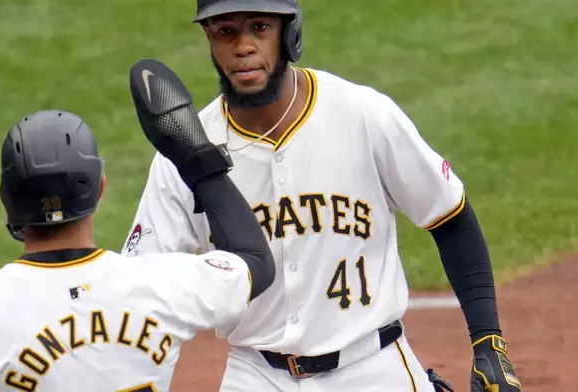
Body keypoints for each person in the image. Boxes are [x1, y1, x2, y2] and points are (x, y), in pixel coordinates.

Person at [122, 1, 522, 391]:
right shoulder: (186, 150)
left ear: (289, 33)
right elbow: (142, 285)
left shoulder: (362, 115)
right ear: (209, 39)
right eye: (226, 31)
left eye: (259, 27)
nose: (243, 46)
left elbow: (449, 216)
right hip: (255, 373)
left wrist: (488, 341)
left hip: (372, 366)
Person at [0, 59, 276, 392]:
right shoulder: (163, 286)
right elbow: (254, 261)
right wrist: (195, 157)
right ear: (100, 188)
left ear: (7, 201)